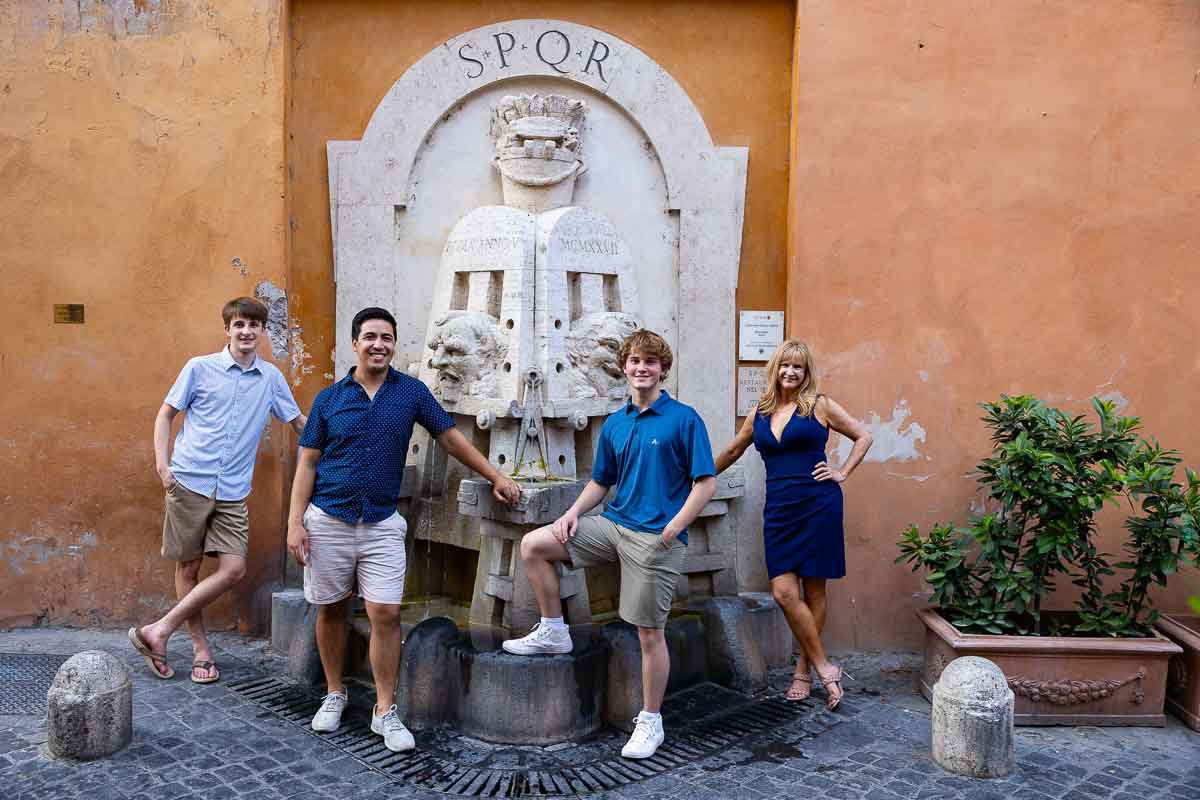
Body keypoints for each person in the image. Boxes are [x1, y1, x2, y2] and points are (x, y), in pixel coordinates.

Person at [287, 307, 521, 753]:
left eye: (387, 338)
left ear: (394, 345)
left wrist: (495, 476)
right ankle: (335, 693)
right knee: (331, 609)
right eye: (370, 337)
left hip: (380, 521)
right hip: (329, 519)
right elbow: (308, 462)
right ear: (355, 343)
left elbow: (450, 438)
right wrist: (295, 522)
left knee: (386, 614)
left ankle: (385, 710)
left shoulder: (411, 393)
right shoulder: (329, 400)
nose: (379, 345)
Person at [502, 329, 717, 760]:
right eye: (635, 361)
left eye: (651, 362)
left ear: (663, 370)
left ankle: (651, 720)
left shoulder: (685, 418)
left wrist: (676, 525)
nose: (642, 368)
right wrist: (573, 514)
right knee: (535, 545)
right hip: (613, 527)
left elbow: (705, 481)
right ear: (624, 367)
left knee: (648, 634)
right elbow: (602, 481)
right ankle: (554, 630)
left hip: (657, 538)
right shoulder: (617, 423)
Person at [129, 297, 305, 684]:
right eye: (239, 324)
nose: (246, 332)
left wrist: (341, 442)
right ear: (227, 329)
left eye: (254, 325)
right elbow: (166, 415)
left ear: (262, 332)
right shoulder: (199, 368)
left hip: (231, 491)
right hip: (188, 480)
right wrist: (162, 464)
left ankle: (158, 630)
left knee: (233, 568)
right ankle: (200, 649)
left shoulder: (271, 378)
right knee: (189, 568)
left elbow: (298, 424)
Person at [715, 339, 872, 710]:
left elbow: (863, 436)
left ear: (806, 373)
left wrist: (842, 472)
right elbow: (734, 449)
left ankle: (803, 669)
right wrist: (697, 475)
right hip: (781, 511)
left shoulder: (820, 406)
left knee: (815, 592)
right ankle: (825, 665)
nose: (790, 372)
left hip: (819, 504)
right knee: (785, 592)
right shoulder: (761, 413)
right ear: (775, 370)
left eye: (798, 367)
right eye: (785, 366)